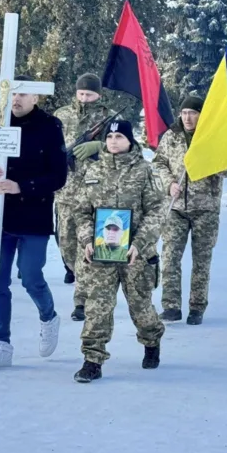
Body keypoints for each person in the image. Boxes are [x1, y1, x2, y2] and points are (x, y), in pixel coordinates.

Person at [0, 77, 68, 371]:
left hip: (34, 216)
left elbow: (59, 177)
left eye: (23, 94)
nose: (15, 99)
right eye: (13, 94)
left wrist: (22, 186)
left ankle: (49, 316)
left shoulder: (50, 127)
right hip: (0, 217)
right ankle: (1, 343)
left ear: (35, 98)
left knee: (29, 276)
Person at [73, 119, 166, 383]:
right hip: (101, 253)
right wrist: (87, 239)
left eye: (119, 137)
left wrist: (139, 243)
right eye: (110, 137)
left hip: (135, 253)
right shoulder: (93, 170)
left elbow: (157, 212)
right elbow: (81, 211)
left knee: (140, 305)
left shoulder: (144, 171)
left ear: (129, 140)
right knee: (97, 307)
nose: (114, 141)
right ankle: (92, 360)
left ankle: (151, 340)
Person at [152, 94, 227, 326]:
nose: (187, 118)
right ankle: (171, 306)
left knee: (201, 260)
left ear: (201, 115)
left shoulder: (213, 137)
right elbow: (158, 163)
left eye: (193, 113)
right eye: (184, 113)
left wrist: (208, 157)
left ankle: (197, 307)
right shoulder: (171, 136)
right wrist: (169, 183)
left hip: (205, 208)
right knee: (170, 257)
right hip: (176, 208)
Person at [53, 73, 111, 322]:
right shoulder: (61, 115)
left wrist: (99, 147)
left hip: (95, 193)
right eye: (81, 93)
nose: (85, 98)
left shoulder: (109, 118)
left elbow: (127, 149)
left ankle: (82, 301)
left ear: (99, 94)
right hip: (65, 192)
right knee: (66, 244)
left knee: (87, 247)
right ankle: (78, 275)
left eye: (89, 94)